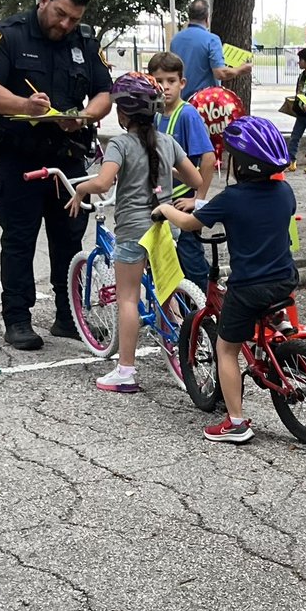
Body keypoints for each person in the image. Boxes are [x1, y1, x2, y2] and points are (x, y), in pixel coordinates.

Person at [0, 0, 113, 351]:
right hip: (19, 155)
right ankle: (17, 319)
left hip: (67, 156)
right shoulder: (9, 36)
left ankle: (69, 317)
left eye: (73, 18)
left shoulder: (84, 41)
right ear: (43, 0)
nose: (65, 24)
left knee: (68, 238)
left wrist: (84, 116)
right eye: (60, 14)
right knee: (19, 239)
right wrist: (24, 106)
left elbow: (104, 92)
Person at [154, 116, 298, 443]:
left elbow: (192, 223)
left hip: (249, 287)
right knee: (270, 292)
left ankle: (236, 423)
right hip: (285, 279)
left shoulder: (232, 198)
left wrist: (165, 210)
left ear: (241, 165)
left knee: (226, 349)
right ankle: (277, 320)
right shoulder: (285, 192)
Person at [65, 73, 202, 392]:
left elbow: (102, 183)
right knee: (166, 289)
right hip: (166, 226)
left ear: (122, 112)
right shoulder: (167, 142)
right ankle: (179, 347)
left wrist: (80, 190)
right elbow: (195, 180)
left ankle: (125, 371)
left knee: (127, 298)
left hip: (134, 230)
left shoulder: (121, 144)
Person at [147, 51, 215, 291]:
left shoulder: (187, 114)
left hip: (181, 203)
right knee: (166, 261)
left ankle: (209, 313)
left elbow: (208, 158)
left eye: (171, 81)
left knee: (191, 259)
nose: (165, 87)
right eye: (159, 81)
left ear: (182, 83)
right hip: (161, 200)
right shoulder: (154, 115)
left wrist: (198, 200)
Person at [171, 0, 251, 99]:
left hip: (180, 100)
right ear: (207, 18)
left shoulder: (175, 39)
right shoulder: (212, 40)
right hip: (204, 103)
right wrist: (240, 70)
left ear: (189, 16)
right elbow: (220, 73)